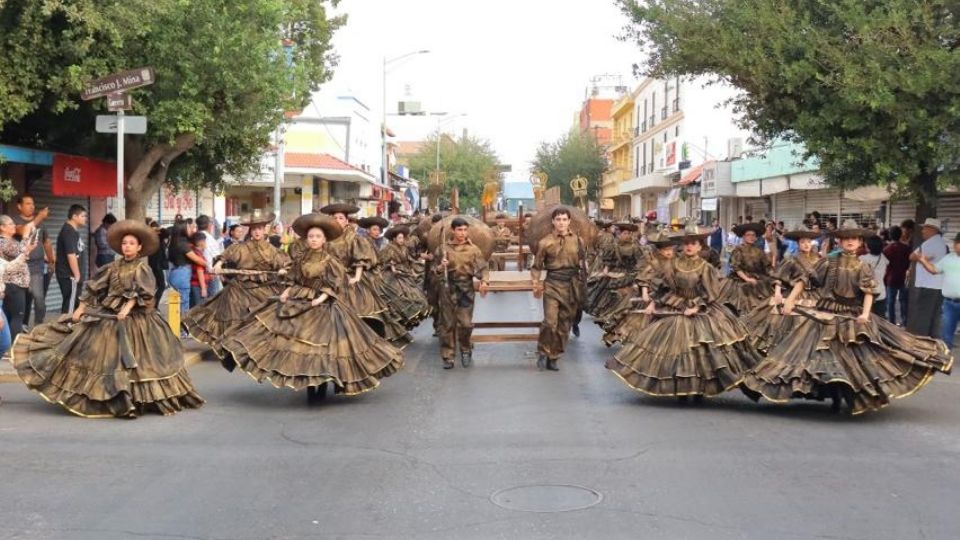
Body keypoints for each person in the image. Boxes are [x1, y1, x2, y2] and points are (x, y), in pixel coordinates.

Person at [743, 220, 952, 414]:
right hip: (825, 314)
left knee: (854, 358)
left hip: (851, 316)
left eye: (854, 239)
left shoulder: (863, 267)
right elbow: (804, 280)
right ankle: (828, 393)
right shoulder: (827, 263)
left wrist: (864, 313)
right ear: (840, 241)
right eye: (846, 238)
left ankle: (847, 396)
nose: (850, 242)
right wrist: (789, 300)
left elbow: (869, 292)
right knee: (815, 356)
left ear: (860, 242)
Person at [10, 220, 204, 418]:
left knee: (140, 363)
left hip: (137, 319)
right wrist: (80, 309)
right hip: (108, 315)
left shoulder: (142, 269)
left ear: (139, 247)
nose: (126, 246)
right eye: (124, 243)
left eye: (131, 243)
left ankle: (135, 398)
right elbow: (94, 288)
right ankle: (106, 396)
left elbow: (143, 295)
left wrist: (126, 309)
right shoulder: (112, 267)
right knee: (94, 354)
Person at [222, 213, 403, 402]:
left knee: (323, 348)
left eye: (317, 237)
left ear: (324, 240)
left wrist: (322, 297)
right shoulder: (301, 258)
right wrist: (286, 292)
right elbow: (295, 278)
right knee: (294, 343)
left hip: (323, 305)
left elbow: (335, 283)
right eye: (311, 237)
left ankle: (322, 385)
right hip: (301, 299)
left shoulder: (330, 261)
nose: (314, 240)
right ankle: (310, 385)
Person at [606, 224, 762, 400]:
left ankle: (699, 389)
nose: (689, 246)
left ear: (700, 246)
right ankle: (681, 387)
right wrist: (658, 302)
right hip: (676, 308)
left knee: (704, 350)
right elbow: (662, 286)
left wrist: (695, 306)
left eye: (693, 243)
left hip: (702, 312)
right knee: (674, 349)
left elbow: (711, 293)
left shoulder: (705, 267)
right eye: (686, 242)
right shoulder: (673, 264)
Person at [183, 211, 289, 361]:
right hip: (240, 288)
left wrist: (283, 270)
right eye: (254, 229)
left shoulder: (272, 250)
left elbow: (285, 265)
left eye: (259, 228)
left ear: (265, 229)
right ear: (250, 231)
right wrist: (218, 265)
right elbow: (224, 256)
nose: (257, 231)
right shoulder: (239, 247)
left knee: (264, 319)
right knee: (232, 315)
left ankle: (258, 350)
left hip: (264, 287)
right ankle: (231, 350)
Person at [321, 204, 410, 346]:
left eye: (340, 218)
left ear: (346, 221)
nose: (337, 220)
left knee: (358, 312)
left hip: (350, 279)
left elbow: (360, 258)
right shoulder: (325, 238)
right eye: (334, 218)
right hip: (329, 280)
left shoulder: (354, 238)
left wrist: (356, 277)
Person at [742, 226, 822, 354]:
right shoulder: (791, 259)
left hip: (813, 294)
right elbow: (780, 277)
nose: (806, 245)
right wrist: (778, 292)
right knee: (782, 322)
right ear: (798, 244)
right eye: (803, 242)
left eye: (808, 242)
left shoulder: (819, 259)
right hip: (792, 293)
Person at [530, 207, 586, 371]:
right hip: (553, 284)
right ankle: (543, 351)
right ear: (553, 222)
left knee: (564, 325)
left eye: (564, 219)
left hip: (572, 285)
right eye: (558, 219)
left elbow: (583, 263)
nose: (561, 222)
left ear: (569, 221)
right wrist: (535, 283)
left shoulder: (578, 241)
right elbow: (536, 266)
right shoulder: (545, 242)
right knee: (550, 322)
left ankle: (554, 356)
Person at [601, 229, 677, 347]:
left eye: (670, 250)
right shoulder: (654, 262)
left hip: (670, 298)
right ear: (660, 251)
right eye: (665, 250)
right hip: (651, 294)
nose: (668, 253)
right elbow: (645, 277)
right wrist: (645, 293)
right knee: (640, 322)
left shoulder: (676, 263)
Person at [435, 216, 489, 369]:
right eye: (459, 230)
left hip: (465, 289)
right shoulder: (443, 249)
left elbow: (483, 268)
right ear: (453, 230)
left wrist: (484, 281)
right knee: (447, 324)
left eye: (465, 230)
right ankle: (448, 356)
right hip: (447, 288)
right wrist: (440, 267)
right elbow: (434, 270)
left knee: (465, 324)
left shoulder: (473, 249)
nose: (462, 233)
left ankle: (465, 349)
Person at [376, 226, 430, 329]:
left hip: (405, 273)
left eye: (402, 238)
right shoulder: (388, 249)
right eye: (399, 238)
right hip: (392, 275)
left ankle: (413, 317)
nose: (401, 240)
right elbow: (382, 262)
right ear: (394, 239)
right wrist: (391, 267)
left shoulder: (404, 248)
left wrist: (413, 270)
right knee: (400, 297)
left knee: (416, 294)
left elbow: (409, 260)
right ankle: (402, 319)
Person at [12, 194, 53, 327]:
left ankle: (38, 325)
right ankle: (22, 325)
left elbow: (47, 243)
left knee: (39, 298)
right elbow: (24, 230)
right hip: (20, 267)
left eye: (33, 204)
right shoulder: (14, 221)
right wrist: (39, 217)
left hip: (37, 267)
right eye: (28, 203)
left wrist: (52, 261)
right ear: (19, 206)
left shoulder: (42, 224)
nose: (32, 206)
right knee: (22, 299)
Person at [917, 232, 960, 350]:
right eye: (956, 243)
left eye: (957, 243)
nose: (955, 246)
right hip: (949, 304)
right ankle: (946, 361)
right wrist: (923, 261)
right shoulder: (948, 258)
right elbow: (934, 270)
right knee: (946, 335)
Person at [720, 222, 774, 315]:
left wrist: (775, 277)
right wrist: (747, 279)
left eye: (753, 235)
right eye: (748, 235)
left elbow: (767, 267)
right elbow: (736, 267)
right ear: (743, 236)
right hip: (740, 280)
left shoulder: (759, 251)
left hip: (758, 279)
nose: (751, 237)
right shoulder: (738, 250)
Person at [907, 218, 949, 338]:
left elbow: (912, 256)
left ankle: (922, 342)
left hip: (929, 285)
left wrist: (918, 257)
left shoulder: (931, 243)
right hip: (937, 285)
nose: (923, 231)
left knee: (923, 316)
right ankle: (933, 341)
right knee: (934, 316)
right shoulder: (940, 243)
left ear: (932, 229)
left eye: (925, 228)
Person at [0, 215, 36, 342]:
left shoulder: (11, 240)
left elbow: (23, 251)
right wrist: (25, 236)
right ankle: (13, 348)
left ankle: (7, 346)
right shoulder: (3, 242)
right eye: (10, 224)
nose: (14, 225)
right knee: (17, 316)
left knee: (9, 316)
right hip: (13, 284)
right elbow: (20, 251)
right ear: (2, 227)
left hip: (13, 284)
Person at [166, 222, 207, 324]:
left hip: (175, 273)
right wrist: (208, 264)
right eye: (189, 228)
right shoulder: (183, 245)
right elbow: (198, 260)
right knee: (184, 303)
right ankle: (183, 330)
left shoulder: (174, 242)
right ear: (183, 230)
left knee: (180, 302)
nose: (191, 230)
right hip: (182, 274)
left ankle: (179, 327)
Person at [55, 204, 87, 315]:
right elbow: (71, 254)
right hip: (70, 276)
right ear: (74, 216)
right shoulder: (68, 232)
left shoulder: (73, 231)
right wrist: (77, 275)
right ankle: (66, 328)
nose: (85, 219)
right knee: (70, 305)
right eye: (83, 216)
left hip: (73, 276)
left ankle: (70, 327)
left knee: (74, 303)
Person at [860, 235, 889, 318]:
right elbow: (886, 267)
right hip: (881, 292)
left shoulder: (863, 259)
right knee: (880, 319)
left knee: (867, 318)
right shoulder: (883, 257)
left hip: (866, 293)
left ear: (868, 247)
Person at [196, 215, 223, 296]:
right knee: (212, 300)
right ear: (209, 225)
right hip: (210, 274)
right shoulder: (207, 238)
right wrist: (211, 271)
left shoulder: (196, 236)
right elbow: (209, 256)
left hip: (199, 274)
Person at [146, 220, 168, 306]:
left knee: (158, 285)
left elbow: (166, 233)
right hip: (155, 264)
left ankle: (153, 304)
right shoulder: (149, 237)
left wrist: (158, 229)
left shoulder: (159, 236)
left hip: (157, 263)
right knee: (161, 285)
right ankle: (154, 305)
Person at [188, 233, 209, 308]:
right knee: (199, 308)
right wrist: (203, 288)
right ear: (201, 242)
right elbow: (200, 272)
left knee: (193, 307)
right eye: (205, 241)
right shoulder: (198, 255)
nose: (206, 243)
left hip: (196, 284)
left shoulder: (194, 252)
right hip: (197, 285)